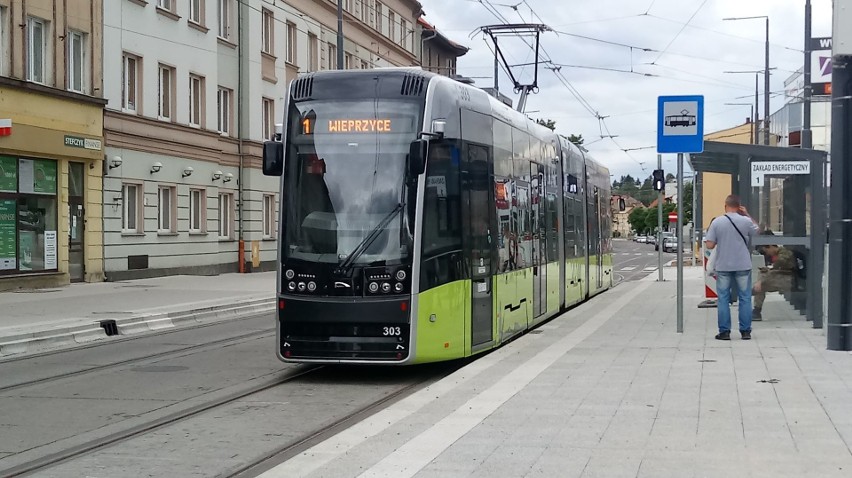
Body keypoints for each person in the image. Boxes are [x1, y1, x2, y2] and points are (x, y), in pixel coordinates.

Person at [704, 195, 759, 340]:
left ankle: (724, 332)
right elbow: (757, 230)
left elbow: (709, 245)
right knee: (745, 298)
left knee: (723, 298)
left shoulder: (717, 222)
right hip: (743, 264)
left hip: (724, 266)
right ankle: (745, 331)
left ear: (725, 205)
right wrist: (747, 213)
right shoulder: (746, 221)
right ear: (739, 206)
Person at [752, 244, 795, 320]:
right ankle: (756, 309)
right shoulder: (778, 254)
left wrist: (767, 271)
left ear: (771, 246)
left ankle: (756, 310)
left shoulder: (785, 253)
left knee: (761, 284)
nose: (767, 254)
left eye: (767, 251)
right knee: (762, 275)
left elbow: (779, 265)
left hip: (789, 279)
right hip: (783, 277)